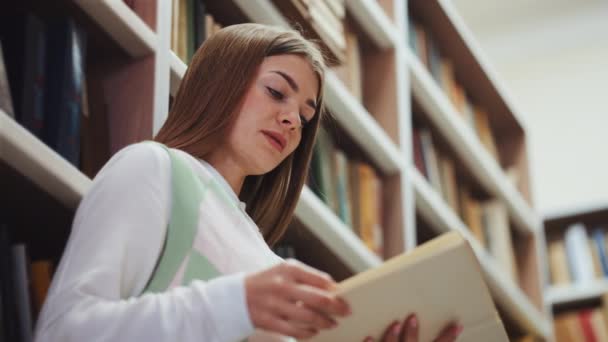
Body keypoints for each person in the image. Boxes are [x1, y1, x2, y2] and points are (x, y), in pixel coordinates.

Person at [33, 23, 462, 342]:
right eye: (277, 92)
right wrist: (233, 304)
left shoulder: (267, 261)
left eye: (306, 116)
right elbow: (63, 332)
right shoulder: (150, 168)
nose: (293, 119)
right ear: (221, 82)